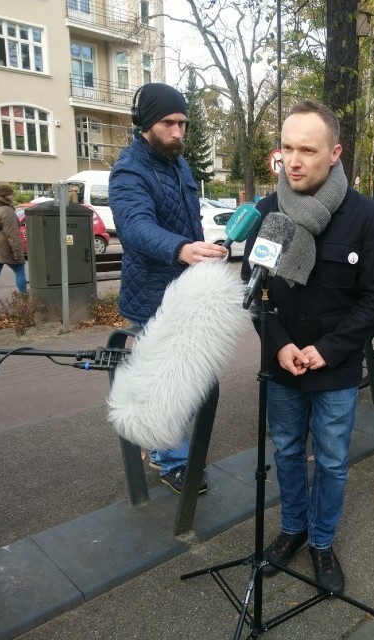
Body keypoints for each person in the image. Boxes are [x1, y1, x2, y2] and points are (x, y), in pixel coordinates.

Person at [241, 99, 374, 593]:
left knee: (329, 459)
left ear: (335, 153)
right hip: (282, 365)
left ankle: (322, 541)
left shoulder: (365, 216)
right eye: (287, 147)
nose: (294, 160)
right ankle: (293, 529)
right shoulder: (267, 212)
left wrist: (328, 349)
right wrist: (279, 344)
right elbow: (254, 291)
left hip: (334, 367)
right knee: (286, 450)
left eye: (308, 148)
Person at [109, 82, 227, 494]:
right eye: (168, 123)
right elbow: (136, 228)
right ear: (144, 124)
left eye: (183, 123)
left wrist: (204, 252)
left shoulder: (178, 164)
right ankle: (170, 458)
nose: (177, 132)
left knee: (187, 377)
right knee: (165, 381)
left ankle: (168, 447)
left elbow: (188, 221)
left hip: (188, 291)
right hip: (153, 298)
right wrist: (181, 249)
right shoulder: (128, 171)